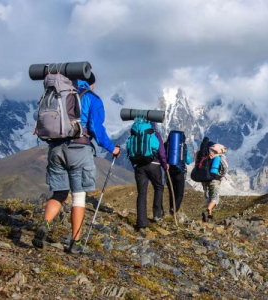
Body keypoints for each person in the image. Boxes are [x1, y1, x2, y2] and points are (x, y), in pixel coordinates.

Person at [32, 73, 121, 254]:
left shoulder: (56, 93)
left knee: (59, 193)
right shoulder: (89, 97)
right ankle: (76, 242)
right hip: (79, 150)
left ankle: (45, 224)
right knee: (78, 196)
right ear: (91, 83)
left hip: (56, 150)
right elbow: (96, 128)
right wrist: (112, 149)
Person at [132, 122, 169, 234]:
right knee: (158, 187)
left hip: (139, 166)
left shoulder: (135, 134)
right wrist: (164, 164)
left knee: (141, 193)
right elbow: (161, 151)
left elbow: (131, 149)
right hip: (154, 164)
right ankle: (157, 214)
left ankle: (141, 224)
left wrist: (135, 165)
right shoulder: (155, 133)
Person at [165, 131, 192, 215]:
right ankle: (174, 210)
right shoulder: (183, 146)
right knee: (179, 194)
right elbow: (188, 161)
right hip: (180, 172)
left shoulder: (166, 145)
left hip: (169, 172)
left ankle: (171, 209)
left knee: (171, 192)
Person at [201, 142, 228, 222]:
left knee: (209, 198)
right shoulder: (218, 157)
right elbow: (225, 167)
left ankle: (209, 216)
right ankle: (207, 211)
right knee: (215, 198)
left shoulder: (205, 156)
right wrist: (221, 176)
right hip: (214, 179)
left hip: (205, 180)